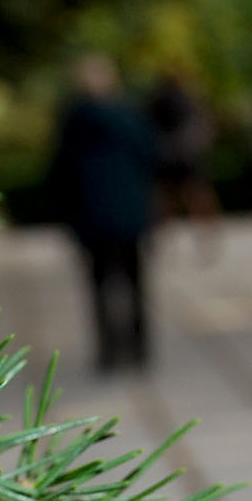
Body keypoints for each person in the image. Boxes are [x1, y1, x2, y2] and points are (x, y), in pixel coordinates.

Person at [48, 53, 156, 372]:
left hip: (92, 218)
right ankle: (138, 347)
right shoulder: (129, 117)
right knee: (135, 284)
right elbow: (149, 158)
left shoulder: (73, 122)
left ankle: (109, 350)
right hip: (130, 217)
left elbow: (60, 173)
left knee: (99, 288)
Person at [147, 68, 219, 229]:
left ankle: (165, 229)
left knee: (171, 198)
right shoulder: (191, 100)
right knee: (193, 195)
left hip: (170, 156)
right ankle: (208, 228)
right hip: (187, 156)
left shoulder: (158, 101)